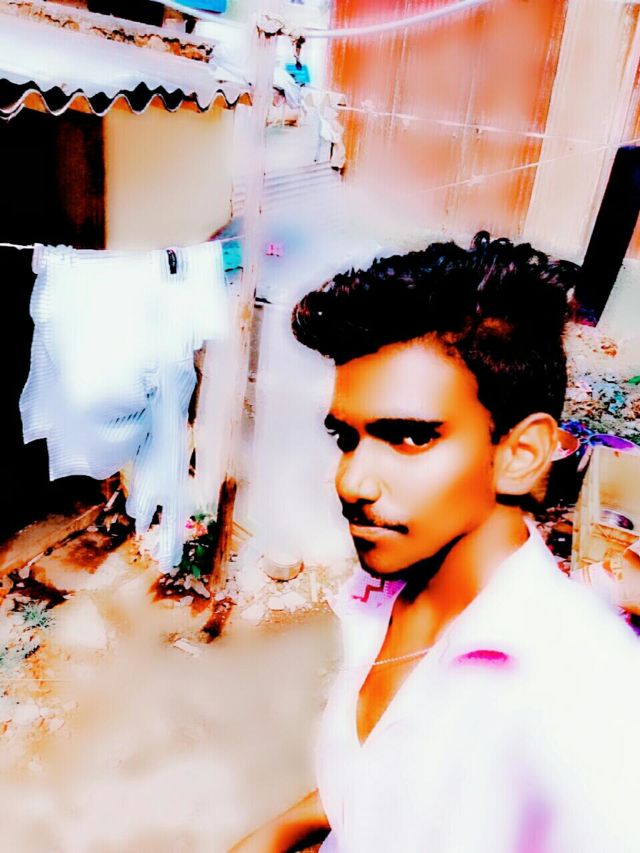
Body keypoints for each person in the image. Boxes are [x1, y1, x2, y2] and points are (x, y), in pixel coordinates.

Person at [230, 232, 640, 852]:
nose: (351, 481)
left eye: (411, 437)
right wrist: (279, 833)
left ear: (521, 454)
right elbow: (378, 786)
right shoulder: (383, 593)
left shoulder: (583, 709)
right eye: (347, 438)